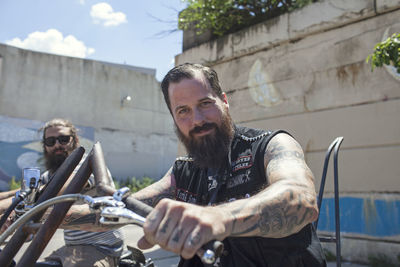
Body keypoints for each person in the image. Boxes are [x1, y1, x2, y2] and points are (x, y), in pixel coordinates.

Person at [130, 63, 327, 266]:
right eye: (183, 111)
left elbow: (302, 198)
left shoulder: (270, 145)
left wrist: (218, 217)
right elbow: (135, 201)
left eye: (205, 103)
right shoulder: (183, 171)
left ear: (224, 101)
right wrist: (99, 207)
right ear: (174, 119)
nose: (197, 119)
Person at [1, 118, 125, 267]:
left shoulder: (87, 164)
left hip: (103, 248)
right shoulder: (50, 175)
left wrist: (14, 211)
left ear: (75, 140)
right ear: (45, 146)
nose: (57, 145)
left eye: (63, 139)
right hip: (71, 248)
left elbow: (59, 189)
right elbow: (24, 193)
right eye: (51, 141)